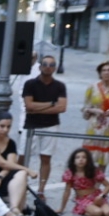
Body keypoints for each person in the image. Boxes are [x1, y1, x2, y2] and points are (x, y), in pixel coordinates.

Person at [21, 55, 69, 197]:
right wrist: (51, 103)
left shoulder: (60, 86)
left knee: (46, 158)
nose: (48, 66)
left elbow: (62, 108)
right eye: (45, 64)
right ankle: (21, 184)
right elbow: (29, 106)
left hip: (51, 125)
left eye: (51, 64)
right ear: (40, 66)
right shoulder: (30, 84)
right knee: (23, 156)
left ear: (54, 68)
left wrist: (38, 107)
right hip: (31, 125)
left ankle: (41, 189)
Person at [57, 147, 109, 216]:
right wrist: (62, 208)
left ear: (88, 160)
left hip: (96, 197)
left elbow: (108, 186)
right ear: (73, 161)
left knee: (108, 213)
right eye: (78, 157)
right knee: (98, 213)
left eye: (84, 157)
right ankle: (82, 210)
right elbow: (67, 191)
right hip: (83, 199)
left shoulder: (93, 171)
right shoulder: (70, 173)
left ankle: (90, 209)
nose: (81, 160)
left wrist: (101, 196)